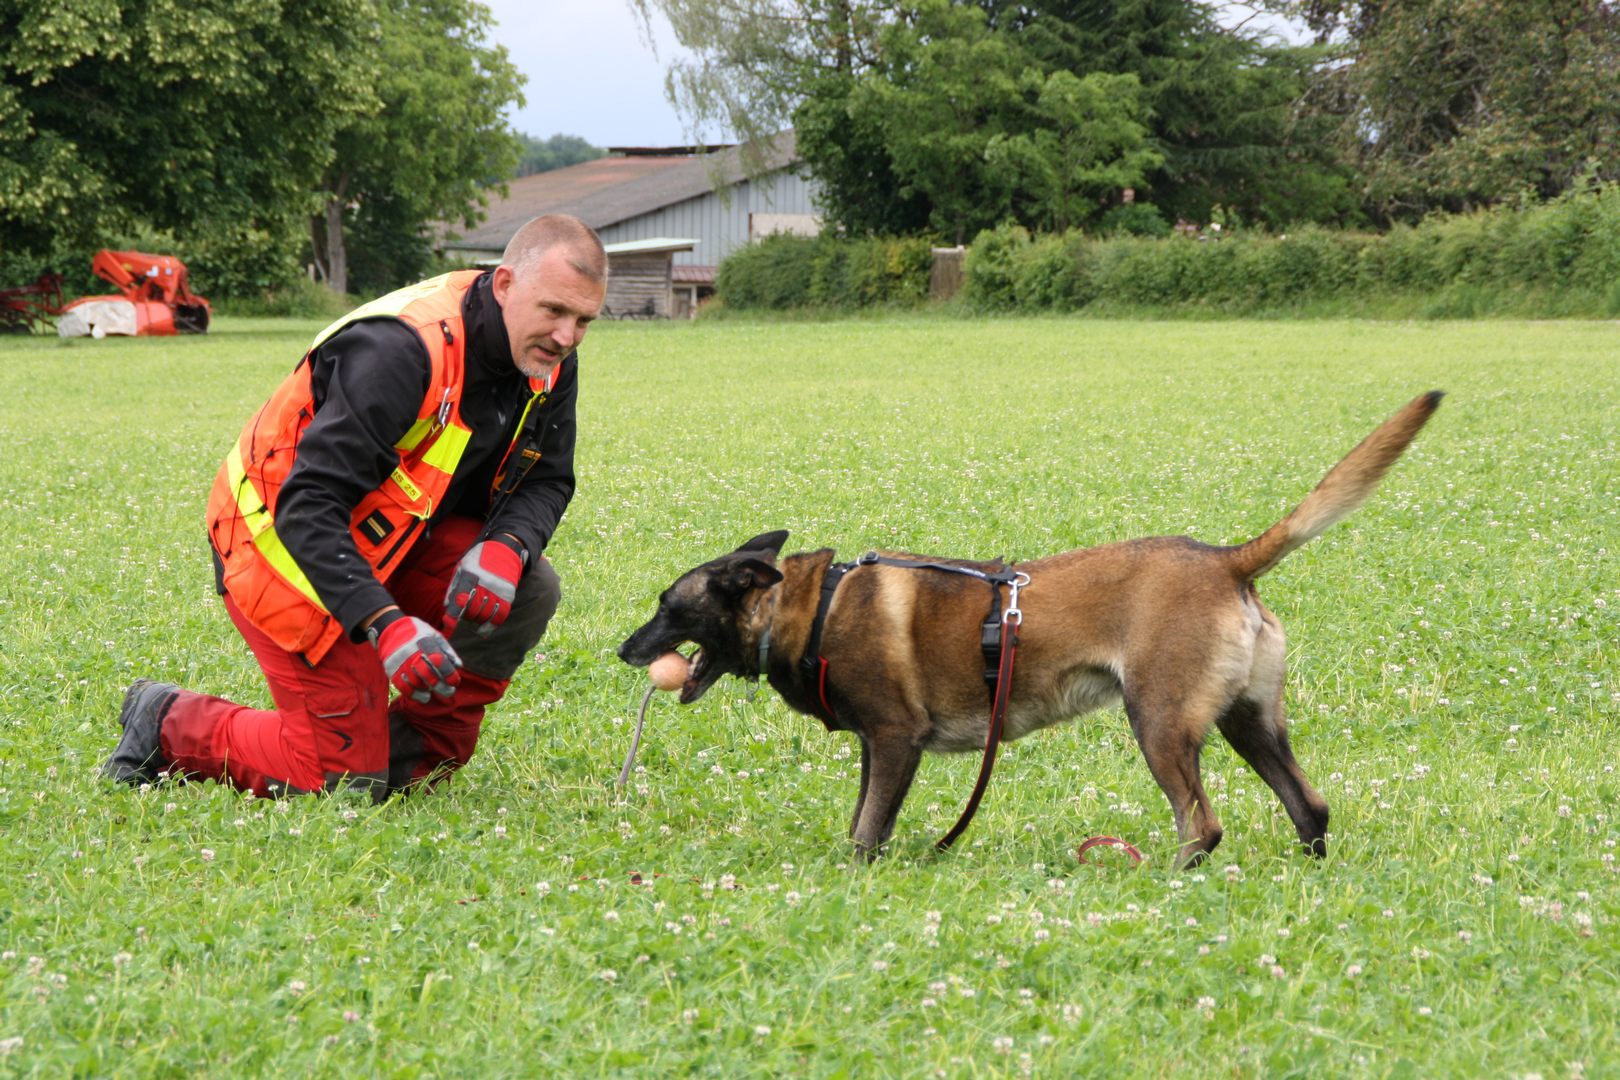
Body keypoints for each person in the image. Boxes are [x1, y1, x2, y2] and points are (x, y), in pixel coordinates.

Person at [102, 214, 607, 798]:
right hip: (279, 545)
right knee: (337, 782)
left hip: (394, 536)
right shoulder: (402, 349)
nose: (567, 336)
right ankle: (168, 723)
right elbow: (309, 505)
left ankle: (409, 749)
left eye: (583, 321)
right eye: (553, 312)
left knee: (527, 586)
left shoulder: (547, 359)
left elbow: (547, 478)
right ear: (504, 285)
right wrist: (384, 624)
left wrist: (508, 545)